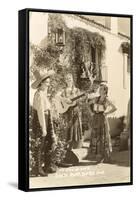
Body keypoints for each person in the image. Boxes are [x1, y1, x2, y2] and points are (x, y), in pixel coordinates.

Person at [31, 69, 57, 176]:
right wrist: (44, 128)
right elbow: (41, 112)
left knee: (48, 143)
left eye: (48, 82)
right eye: (47, 82)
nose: (48, 84)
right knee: (40, 144)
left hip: (46, 118)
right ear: (41, 83)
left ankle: (47, 166)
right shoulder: (39, 95)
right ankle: (37, 169)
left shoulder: (43, 93)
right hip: (41, 120)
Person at [88, 84, 117, 163]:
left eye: (101, 89)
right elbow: (88, 103)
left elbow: (114, 108)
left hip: (102, 119)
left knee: (102, 137)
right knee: (96, 136)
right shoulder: (96, 98)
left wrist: (107, 113)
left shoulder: (107, 100)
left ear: (105, 91)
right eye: (99, 89)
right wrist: (91, 112)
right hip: (96, 118)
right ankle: (97, 155)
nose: (100, 90)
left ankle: (103, 156)